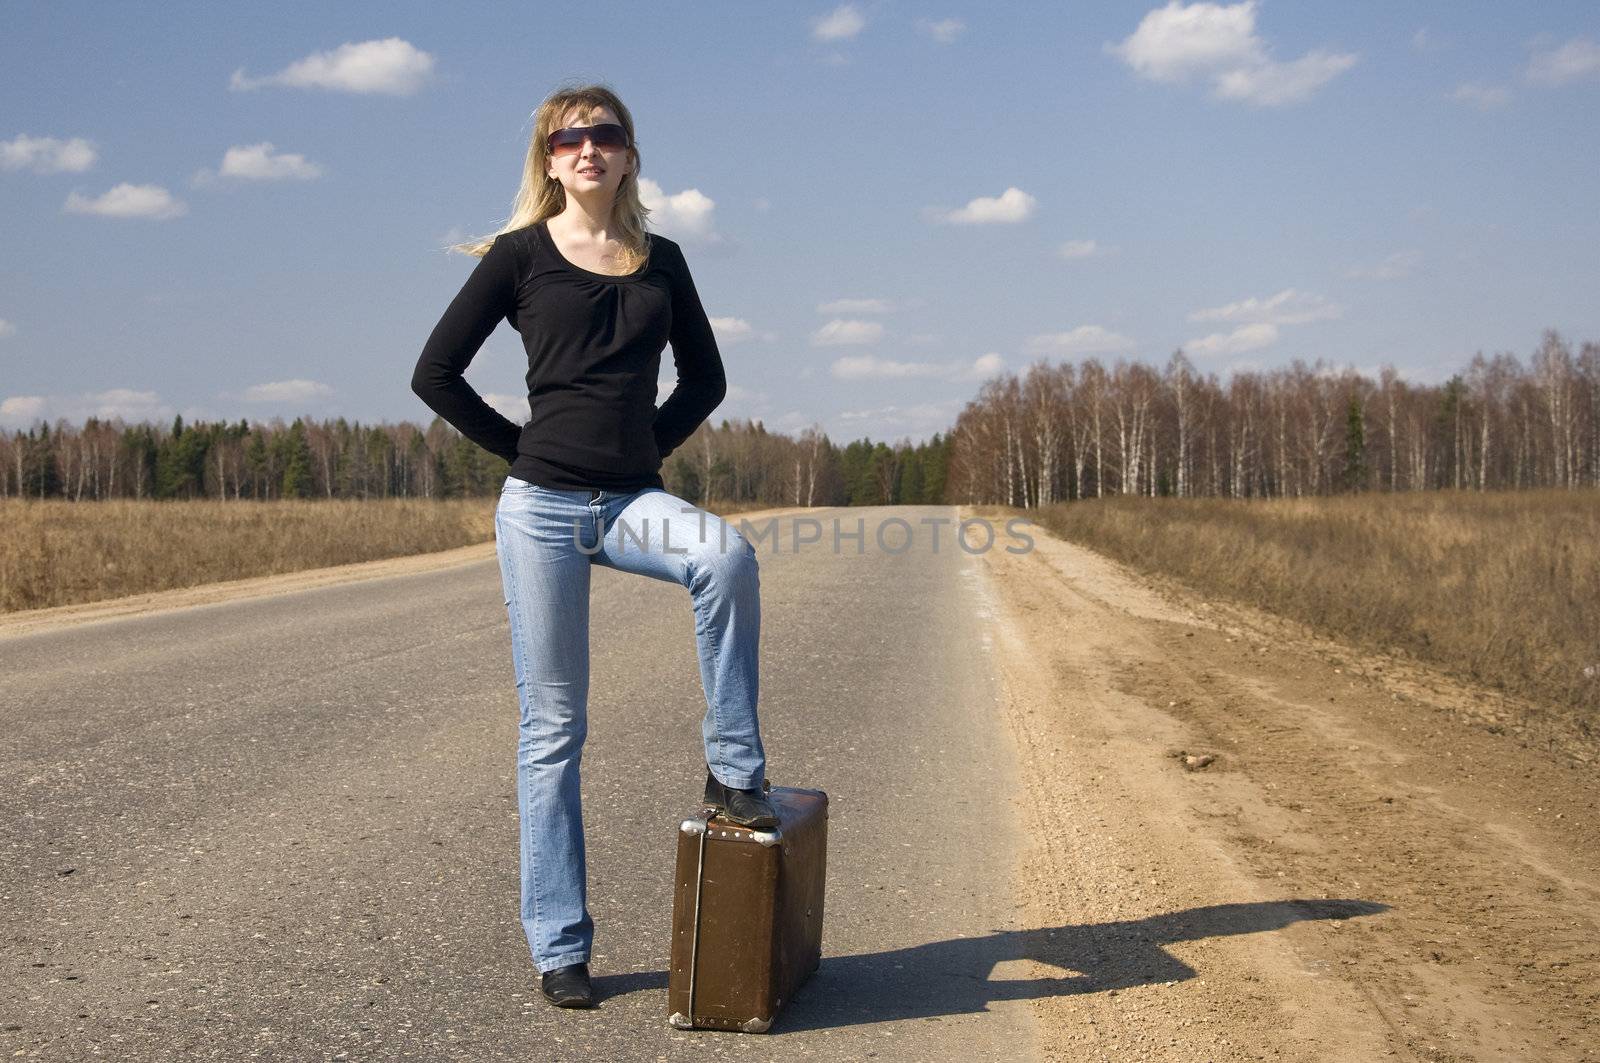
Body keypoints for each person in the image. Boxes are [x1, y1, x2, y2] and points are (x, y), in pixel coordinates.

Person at [409, 83, 777, 1010]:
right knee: (554, 730)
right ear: (548, 160)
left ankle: (734, 771)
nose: (586, 149)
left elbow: (708, 378)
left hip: (631, 501)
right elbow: (435, 373)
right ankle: (560, 943)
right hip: (539, 507)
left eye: (603, 135)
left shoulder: (663, 261)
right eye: (567, 138)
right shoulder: (520, 257)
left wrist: (646, 447)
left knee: (726, 556)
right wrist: (521, 453)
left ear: (627, 155)